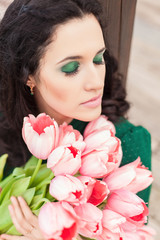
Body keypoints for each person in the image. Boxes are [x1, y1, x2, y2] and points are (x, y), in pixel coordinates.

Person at [0, 0, 151, 239]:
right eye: (71, 68)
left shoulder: (122, 144)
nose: (95, 82)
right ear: (29, 76)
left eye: (98, 59)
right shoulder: (5, 122)